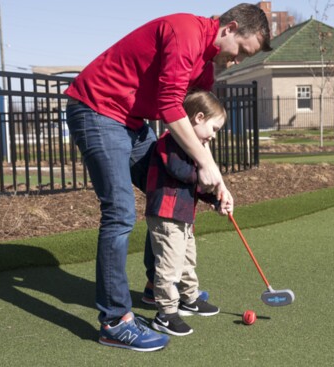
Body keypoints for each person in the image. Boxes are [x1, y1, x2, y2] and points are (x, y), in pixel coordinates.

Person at [64, 3, 271, 352]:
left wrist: (215, 181)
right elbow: (170, 106)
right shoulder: (185, 32)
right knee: (120, 212)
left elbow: (194, 128)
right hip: (97, 109)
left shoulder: (205, 67)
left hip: (130, 121)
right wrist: (207, 165)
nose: (236, 61)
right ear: (231, 28)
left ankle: (158, 284)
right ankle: (114, 321)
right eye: (241, 53)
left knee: (168, 187)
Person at [146, 90, 231, 336]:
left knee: (187, 260)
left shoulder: (196, 151)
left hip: (183, 216)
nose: (213, 137)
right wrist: (207, 176)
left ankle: (189, 298)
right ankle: (166, 313)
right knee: (169, 266)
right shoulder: (169, 140)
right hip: (165, 215)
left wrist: (214, 199)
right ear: (199, 117)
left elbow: (194, 186)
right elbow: (180, 173)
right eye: (213, 129)